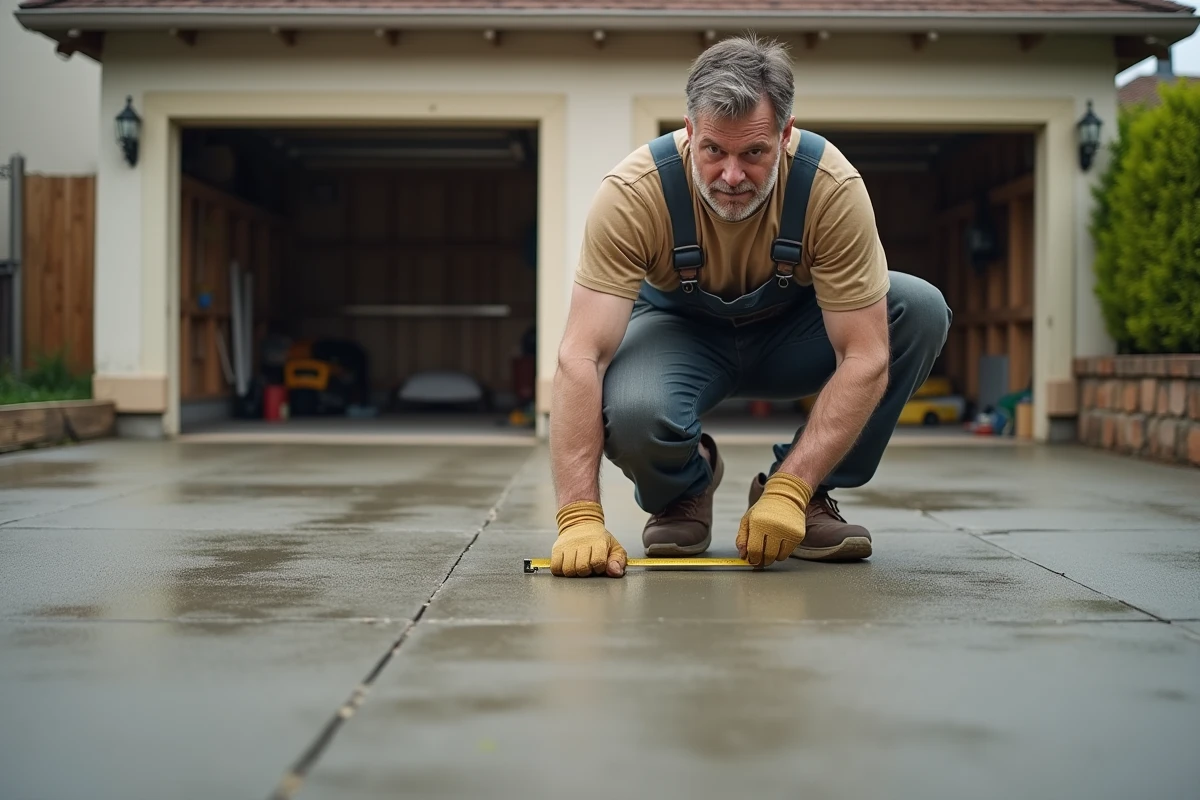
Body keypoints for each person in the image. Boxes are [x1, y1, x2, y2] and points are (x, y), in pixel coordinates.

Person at [548, 34, 951, 578]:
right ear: (690, 131)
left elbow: (866, 354)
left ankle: (802, 493)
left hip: (796, 336)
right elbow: (581, 357)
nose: (731, 176)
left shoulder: (829, 187)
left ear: (785, 136)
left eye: (754, 153)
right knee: (639, 409)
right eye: (714, 150)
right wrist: (578, 516)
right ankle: (684, 489)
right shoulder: (633, 194)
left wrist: (791, 487)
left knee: (918, 309)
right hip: (678, 335)